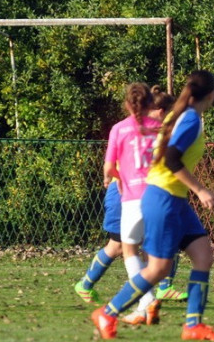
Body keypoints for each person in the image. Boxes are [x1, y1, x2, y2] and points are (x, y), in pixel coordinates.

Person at [92, 70, 214, 341]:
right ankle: (107, 312)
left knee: (203, 256)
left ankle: (192, 326)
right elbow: (171, 159)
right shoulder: (189, 119)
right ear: (211, 95)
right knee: (158, 269)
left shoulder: (183, 115)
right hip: (163, 198)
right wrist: (200, 189)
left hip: (174, 199)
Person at [74, 86, 187, 315]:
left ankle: (150, 297)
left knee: (130, 249)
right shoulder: (164, 129)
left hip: (131, 195)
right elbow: (176, 161)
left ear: (127, 104)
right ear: (151, 106)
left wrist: (119, 178)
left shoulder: (118, 129)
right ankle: (88, 284)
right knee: (129, 245)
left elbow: (108, 169)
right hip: (157, 195)